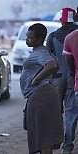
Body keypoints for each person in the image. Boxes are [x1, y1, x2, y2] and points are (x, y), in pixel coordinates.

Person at [20, 23, 64, 154]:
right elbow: (56, 64)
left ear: (39, 39)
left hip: (41, 94)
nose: (27, 39)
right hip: (43, 94)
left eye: (30, 37)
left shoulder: (41, 52)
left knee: (44, 137)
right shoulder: (42, 51)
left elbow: (51, 65)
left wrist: (36, 78)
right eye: (27, 37)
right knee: (44, 136)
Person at [46, 7, 78, 153]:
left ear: (61, 20)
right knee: (71, 111)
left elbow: (48, 58)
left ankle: (55, 141)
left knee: (56, 110)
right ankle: (68, 144)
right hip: (73, 76)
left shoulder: (52, 36)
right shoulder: (75, 35)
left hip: (56, 77)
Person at [62, 10, 78, 154]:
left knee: (71, 114)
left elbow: (69, 62)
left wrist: (73, 72)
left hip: (70, 79)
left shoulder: (70, 38)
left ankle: (67, 145)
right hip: (71, 79)